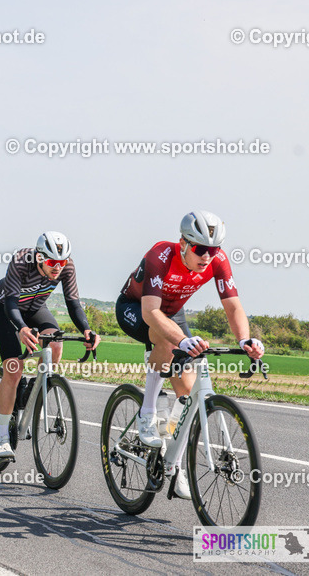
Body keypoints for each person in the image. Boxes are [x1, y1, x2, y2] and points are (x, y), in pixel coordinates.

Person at [117, 210, 264, 500]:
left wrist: (245, 339)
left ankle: (172, 463)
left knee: (187, 394)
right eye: (200, 249)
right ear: (183, 243)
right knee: (166, 339)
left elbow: (233, 306)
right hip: (137, 308)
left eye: (214, 249)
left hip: (173, 312)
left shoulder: (217, 262)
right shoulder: (160, 255)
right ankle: (147, 414)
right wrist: (182, 340)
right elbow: (151, 313)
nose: (207, 256)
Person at [0, 232, 99, 460]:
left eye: (62, 262)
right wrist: (22, 328)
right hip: (7, 310)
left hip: (35, 308)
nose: (57, 267)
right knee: (13, 369)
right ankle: (1, 436)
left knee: (55, 345)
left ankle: (30, 394)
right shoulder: (22, 260)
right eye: (52, 262)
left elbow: (73, 303)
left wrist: (87, 330)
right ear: (39, 257)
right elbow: (11, 303)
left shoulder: (66, 266)